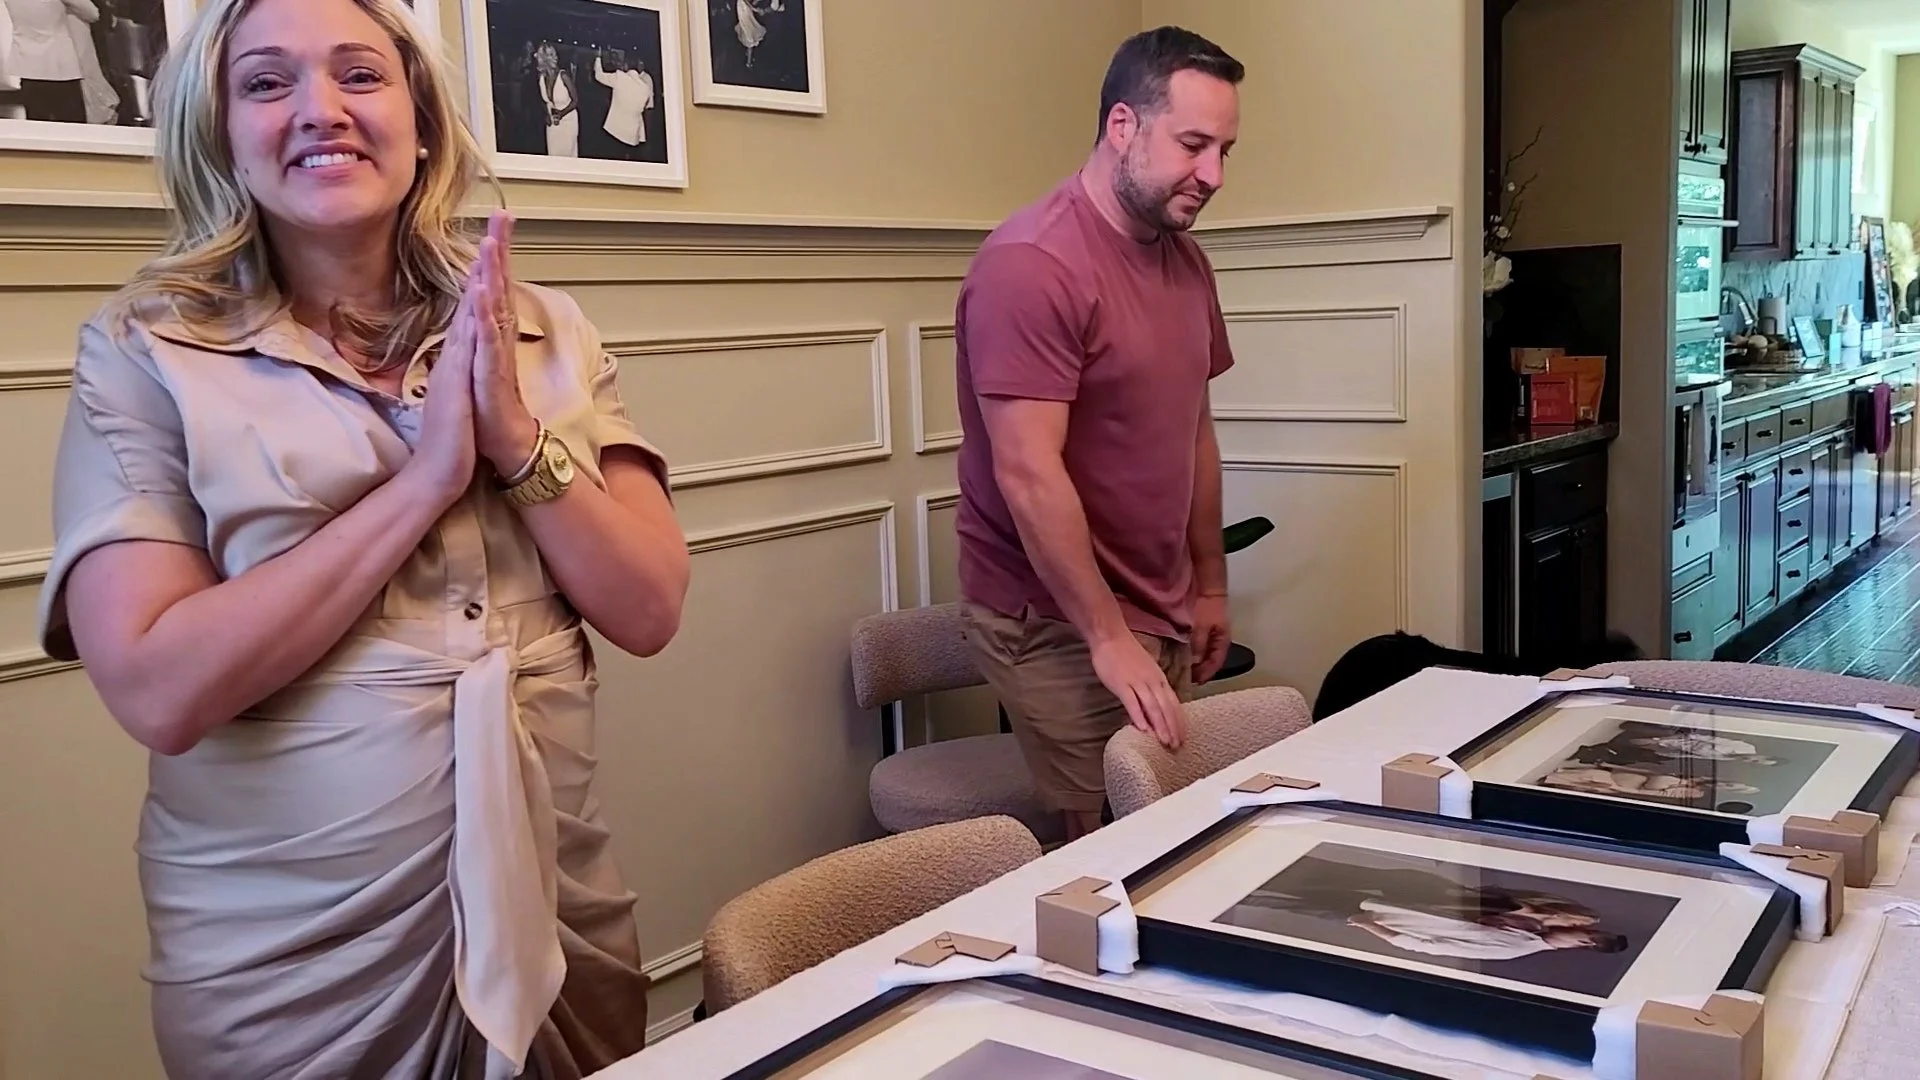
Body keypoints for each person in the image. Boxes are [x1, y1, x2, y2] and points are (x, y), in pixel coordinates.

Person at [34, 0, 689, 1076]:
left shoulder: (547, 328)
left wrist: (518, 446)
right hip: (294, 964)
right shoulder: (145, 356)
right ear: (219, 128)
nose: (319, 111)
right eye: (266, 82)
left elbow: (651, 609)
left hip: (557, 917)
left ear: (420, 119)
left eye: (359, 74)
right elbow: (158, 687)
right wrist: (427, 482)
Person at [952, 26, 1243, 839]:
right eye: (1193, 145)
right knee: (1110, 847)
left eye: (1225, 149)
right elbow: (1027, 474)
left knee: (1169, 827)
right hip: (1051, 613)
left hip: (1155, 602)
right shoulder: (1032, 264)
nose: (1213, 175)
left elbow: (1195, 430)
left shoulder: (1186, 262)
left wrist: (1209, 583)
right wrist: (1107, 637)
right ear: (1123, 126)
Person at [3, 0, 99, 122]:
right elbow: (93, 13)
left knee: (38, 127)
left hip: (27, 66)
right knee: (72, 127)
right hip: (60, 67)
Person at [593, 50, 651, 155]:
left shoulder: (620, 77)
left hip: (615, 131)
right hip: (633, 136)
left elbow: (599, 76)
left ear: (625, 65)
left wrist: (598, 58)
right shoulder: (645, 88)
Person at [535, 40, 577, 157]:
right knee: (553, 155)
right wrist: (547, 114)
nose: (555, 57)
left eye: (555, 54)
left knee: (568, 157)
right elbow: (545, 101)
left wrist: (562, 113)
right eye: (551, 55)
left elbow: (575, 101)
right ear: (543, 58)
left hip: (568, 122)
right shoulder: (541, 78)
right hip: (553, 124)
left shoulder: (563, 76)